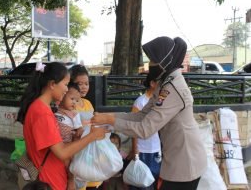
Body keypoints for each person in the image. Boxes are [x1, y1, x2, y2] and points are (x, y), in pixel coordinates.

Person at [91, 36, 207, 190]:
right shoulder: (164, 84)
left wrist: (111, 120)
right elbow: (141, 115)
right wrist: (110, 117)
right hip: (176, 157)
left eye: (153, 60)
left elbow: (145, 129)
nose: (150, 64)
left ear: (165, 61)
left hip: (185, 162)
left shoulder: (172, 88)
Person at [17, 62, 107, 190]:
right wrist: (93, 136)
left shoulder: (40, 107)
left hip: (51, 177)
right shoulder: (42, 112)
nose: (66, 89)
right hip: (50, 180)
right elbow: (62, 152)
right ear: (52, 84)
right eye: (65, 84)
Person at [69, 64, 102, 190]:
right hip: (77, 148)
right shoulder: (69, 103)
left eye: (86, 83)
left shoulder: (88, 103)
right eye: (80, 83)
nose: (84, 87)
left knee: (91, 180)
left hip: (90, 148)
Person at [128, 77, 162, 190]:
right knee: (142, 183)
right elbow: (134, 127)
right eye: (160, 82)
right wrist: (135, 149)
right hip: (142, 149)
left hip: (156, 148)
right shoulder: (140, 102)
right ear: (152, 83)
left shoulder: (159, 101)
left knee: (154, 181)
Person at [55, 82, 84, 190]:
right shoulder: (55, 110)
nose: (74, 103)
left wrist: (78, 133)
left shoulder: (75, 115)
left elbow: (79, 129)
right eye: (72, 99)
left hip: (67, 146)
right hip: (55, 145)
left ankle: (71, 183)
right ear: (63, 95)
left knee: (69, 171)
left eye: (77, 100)